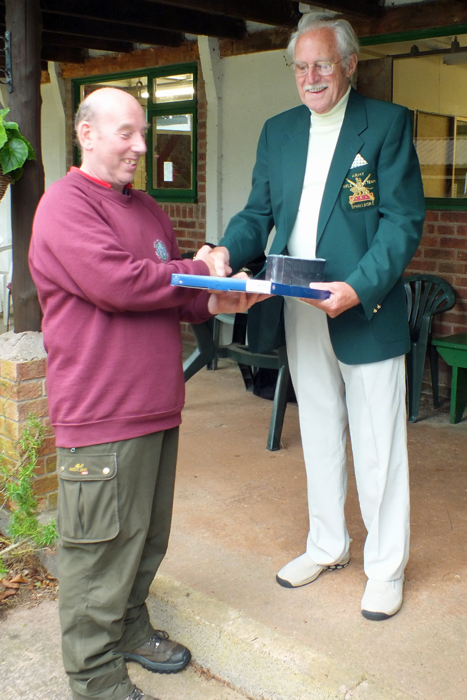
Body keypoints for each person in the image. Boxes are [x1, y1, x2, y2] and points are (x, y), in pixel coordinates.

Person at [29, 87, 264, 700]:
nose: (140, 145)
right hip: (102, 412)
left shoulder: (149, 210)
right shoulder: (64, 206)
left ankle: (130, 628)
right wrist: (203, 270)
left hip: (156, 405)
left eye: (143, 132)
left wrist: (221, 297)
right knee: (97, 552)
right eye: (126, 133)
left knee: (144, 538)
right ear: (86, 133)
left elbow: (177, 292)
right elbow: (118, 283)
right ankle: (93, 675)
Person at [209, 12, 425, 620]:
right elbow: (258, 214)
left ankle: (385, 568)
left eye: (322, 64)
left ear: (349, 65)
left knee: (379, 445)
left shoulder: (384, 125)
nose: (310, 77)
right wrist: (228, 250)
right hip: (298, 306)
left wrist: (357, 289)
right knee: (320, 433)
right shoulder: (278, 132)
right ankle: (327, 544)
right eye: (300, 66)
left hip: (366, 306)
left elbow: (402, 223)